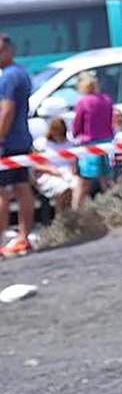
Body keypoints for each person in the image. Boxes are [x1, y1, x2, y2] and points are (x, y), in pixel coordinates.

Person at [0, 34, 38, 255]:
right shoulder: (21, 73)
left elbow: (7, 111)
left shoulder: (8, 77)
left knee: (2, 193)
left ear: (8, 51)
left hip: (8, 142)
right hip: (21, 139)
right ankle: (23, 237)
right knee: (22, 187)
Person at [68, 71, 116, 205]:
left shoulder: (83, 102)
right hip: (106, 143)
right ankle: (114, 209)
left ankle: (76, 211)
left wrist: (74, 135)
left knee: (84, 182)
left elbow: (77, 125)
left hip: (89, 145)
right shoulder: (107, 100)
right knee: (106, 181)